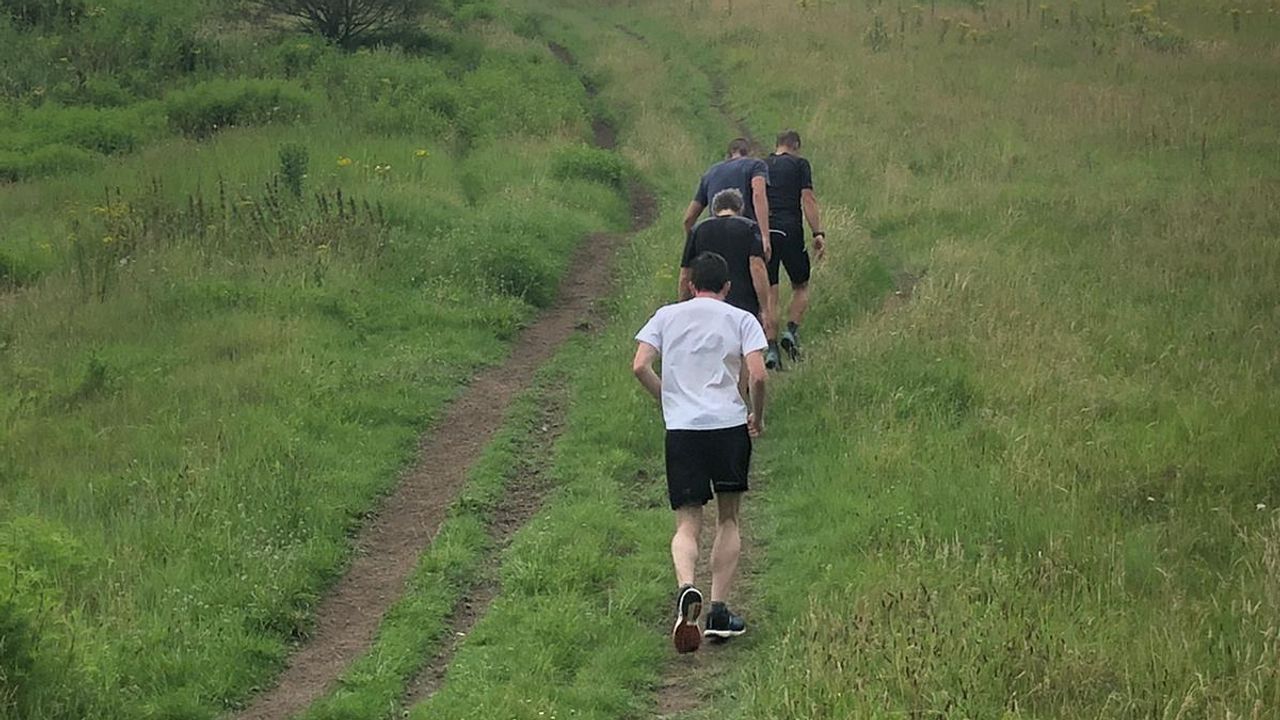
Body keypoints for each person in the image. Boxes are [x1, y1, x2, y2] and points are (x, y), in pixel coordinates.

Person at [633, 252, 768, 653]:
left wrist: (669, 398)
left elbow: (640, 365)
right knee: (728, 518)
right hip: (727, 426)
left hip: (683, 429)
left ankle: (685, 586)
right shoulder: (741, 318)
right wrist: (755, 416)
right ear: (727, 287)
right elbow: (758, 373)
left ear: (691, 284)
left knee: (687, 523)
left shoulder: (666, 316)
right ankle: (719, 612)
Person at [763, 129, 826, 368]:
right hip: (791, 230)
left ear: (777, 144)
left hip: (766, 231)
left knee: (770, 293)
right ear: (796, 145)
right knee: (801, 285)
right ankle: (791, 331)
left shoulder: (762, 165)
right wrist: (817, 232)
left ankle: (771, 349)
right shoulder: (800, 165)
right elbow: (807, 199)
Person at [679, 188, 772, 329]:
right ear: (740, 208)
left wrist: (683, 307)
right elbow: (757, 267)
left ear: (714, 209)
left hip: (706, 308)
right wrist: (765, 309)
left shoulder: (698, 230)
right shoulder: (750, 228)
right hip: (743, 307)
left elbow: (685, 274)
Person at [682, 138, 772, 259]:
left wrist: (694, 246)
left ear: (728, 155)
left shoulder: (710, 173)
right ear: (749, 153)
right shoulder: (756, 165)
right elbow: (758, 194)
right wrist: (765, 237)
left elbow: (688, 219)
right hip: (744, 234)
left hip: (714, 237)